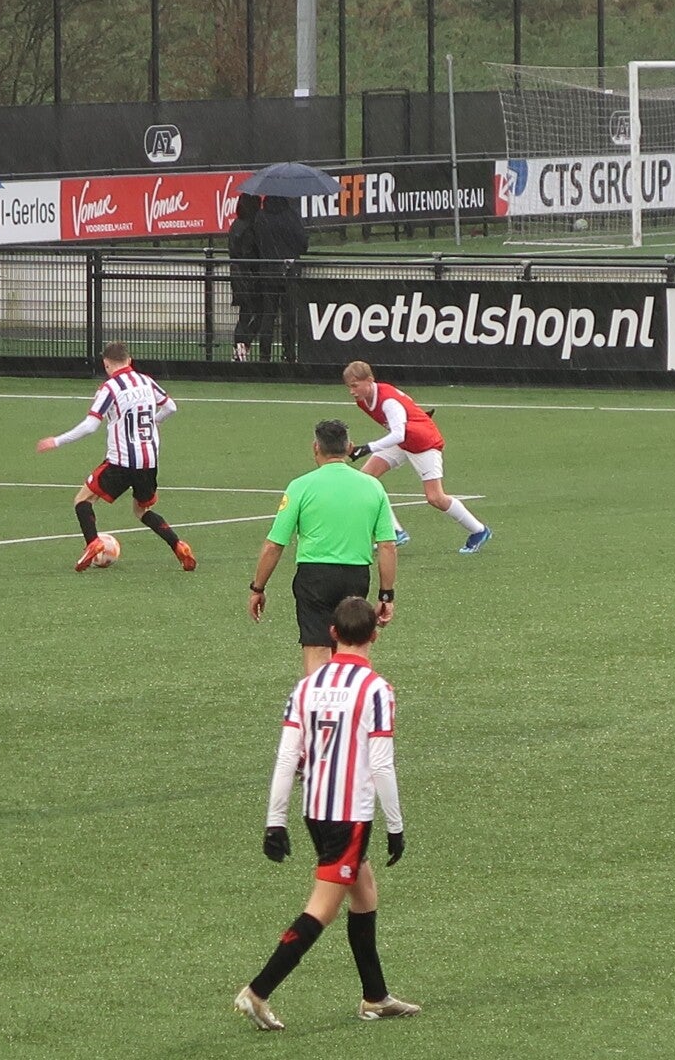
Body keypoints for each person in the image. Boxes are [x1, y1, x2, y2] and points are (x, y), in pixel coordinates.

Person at [233, 596, 418, 1033]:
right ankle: (257, 991)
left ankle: (375, 997)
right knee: (322, 908)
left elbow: (287, 758)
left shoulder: (306, 687)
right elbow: (381, 764)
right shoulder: (376, 689)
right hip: (349, 815)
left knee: (364, 891)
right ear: (374, 636)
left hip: (315, 810)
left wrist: (275, 820)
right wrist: (395, 825)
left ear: (333, 634)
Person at [247, 419, 398, 674]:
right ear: (349, 447)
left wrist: (258, 588)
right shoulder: (373, 486)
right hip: (356, 576)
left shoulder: (300, 486)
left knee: (317, 647)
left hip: (314, 577)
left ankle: (319, 697)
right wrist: (386, 596)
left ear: (316, 447)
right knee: (350, 647)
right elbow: (387, 546)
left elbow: (274, 545)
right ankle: (349, 695)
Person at [36, 341, 197, 573]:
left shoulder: (110, 388)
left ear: (106, 364)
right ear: (129, 360)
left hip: (121, 462)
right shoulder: (146, 381)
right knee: (142, 511)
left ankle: (93, 542)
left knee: (82, 500)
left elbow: (91, 426)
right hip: (149, 461)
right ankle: (178, 545)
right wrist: (155, 421)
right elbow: (170, 407)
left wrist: (57, 440)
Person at [341, 360, 489, 553]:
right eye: (349, 387)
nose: (352, 391)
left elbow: (398, 433)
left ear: (369, 380)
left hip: (424, 443)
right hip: (404, 440)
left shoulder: (387, 401)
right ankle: (395, 532)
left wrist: (367, 448)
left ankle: (479, 530)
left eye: (355, 385)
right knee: (365, 480)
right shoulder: (363, 400)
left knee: (435, 497)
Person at [251, 195, 308, 361]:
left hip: (267, 272)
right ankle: (289, 354)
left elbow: (256, 244)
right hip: (289, 273)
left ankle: (264, 355)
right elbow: (303, 245)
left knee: (268, 315)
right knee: (289, 316)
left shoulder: (260, 217)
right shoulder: (291, 216)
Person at [228, 194, 265, 362]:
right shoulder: (251, 227)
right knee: (259, 312)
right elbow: (249, 253)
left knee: (245, 314)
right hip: (249, 276)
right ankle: (244, 343)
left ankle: (239, 347)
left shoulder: (236, 225)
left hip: (237, 275)